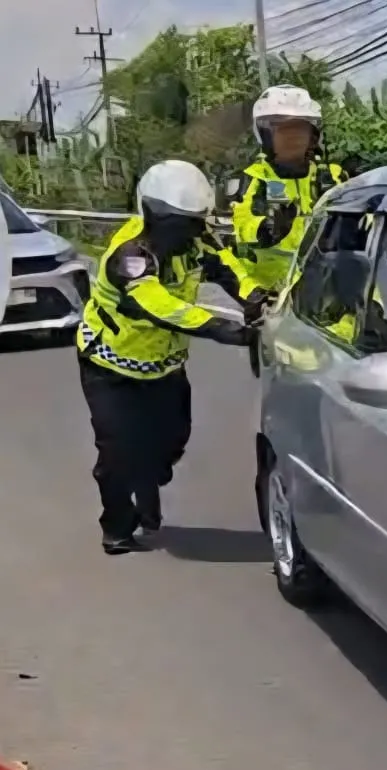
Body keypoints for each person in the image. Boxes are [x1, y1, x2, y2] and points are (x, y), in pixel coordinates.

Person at [77, 159, 269, 555]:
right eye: (178, 224)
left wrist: (253, 298)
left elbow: (229, 269)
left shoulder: (197, 241)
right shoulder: (130, 255)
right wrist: (224, 329)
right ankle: (117, 524)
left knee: (171, 444)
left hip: (164, 369)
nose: (189, 232)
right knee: (117, 452)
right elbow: (160, 307)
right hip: (110, 368)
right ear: (150, 213)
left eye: (194, 222)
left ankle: (148, 479)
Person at [231, 84, 348, 293]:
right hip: (269, 297)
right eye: (283, 130)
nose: (292, 137)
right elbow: (240, 230)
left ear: (313, 136)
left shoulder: (333, 176)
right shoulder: (254, 179)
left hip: (325, 290)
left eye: (299, 129)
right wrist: (267, 229)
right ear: (266, 135)